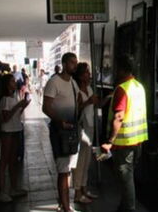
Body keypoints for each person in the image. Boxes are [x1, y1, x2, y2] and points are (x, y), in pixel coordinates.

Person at [101, 54, 148, 212]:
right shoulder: (139, 86)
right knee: (128, 177)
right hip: (138, 141)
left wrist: (110, 141)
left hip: (124, 144)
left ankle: (130, 208)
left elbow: (119, 117)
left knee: (126, 179)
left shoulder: (122, 89)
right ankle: (124, 206)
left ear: (121, 70)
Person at [43, 53, 82, 212]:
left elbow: (78, 98)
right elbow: (46, 107)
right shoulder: (54, 82)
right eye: (72, 63)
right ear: (64, 64)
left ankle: (63, 203)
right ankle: (66, 207)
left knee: (67, 170)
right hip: (59, 131)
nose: (75, 66)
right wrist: (60, 121)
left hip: (71, 131)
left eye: (76, 63)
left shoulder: (73, 83)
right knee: (63, 170)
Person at [0, 74, 29, 202]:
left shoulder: (14, 97)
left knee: (13, 161)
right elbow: (5, 117)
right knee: (4, 161)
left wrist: (22, 106)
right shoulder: (5, 99)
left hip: (15, 129)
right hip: (8, 131)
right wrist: (18, 106)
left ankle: (13, 188)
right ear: (6, 84)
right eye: (12, 81)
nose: (14, 83)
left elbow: (16, 114)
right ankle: (2, 191)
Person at [72, 62, 99, 204]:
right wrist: (88, 101)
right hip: (82, 127)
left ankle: (84, 188)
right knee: (80, 160)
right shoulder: (78, 92)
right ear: (81, 76)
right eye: (87, 72)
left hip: (90, 126)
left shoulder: (88, 88)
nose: (89, 75)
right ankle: (77, 192)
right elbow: (77, 109)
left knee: (87, 159)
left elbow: (95, 103)